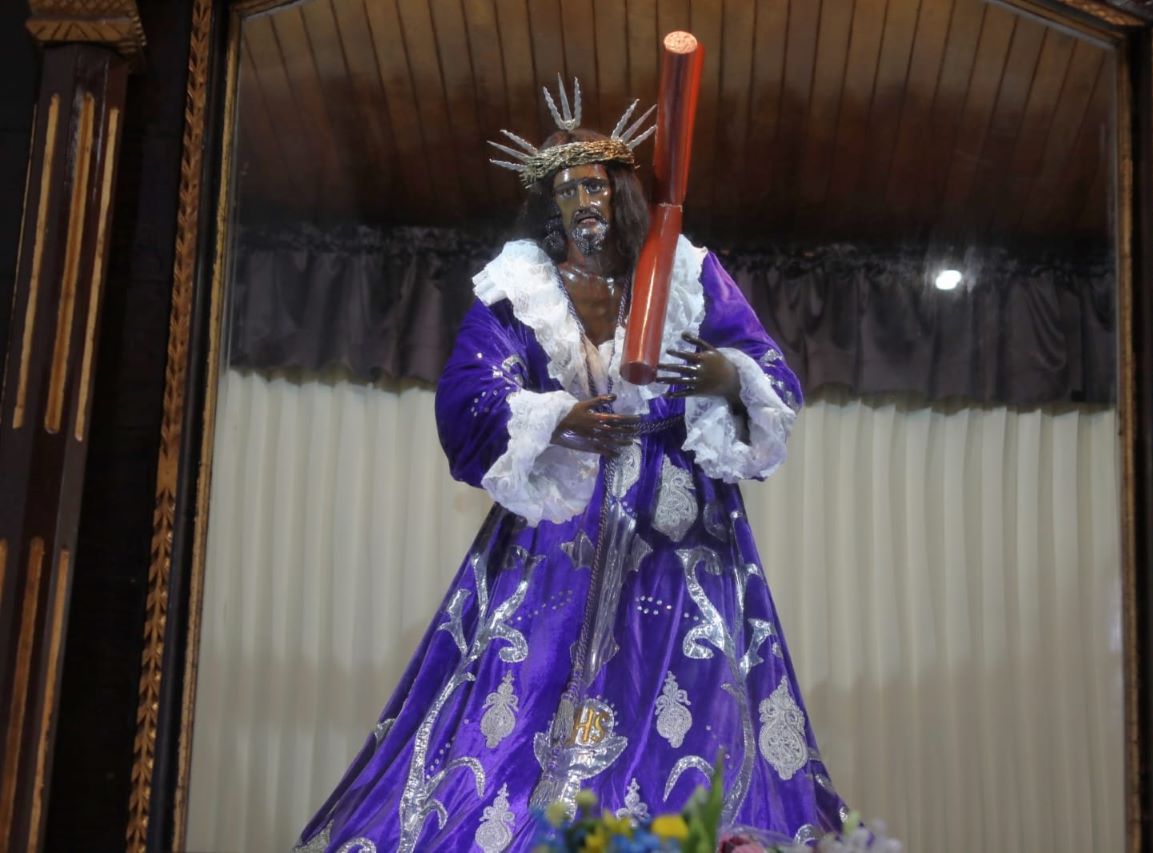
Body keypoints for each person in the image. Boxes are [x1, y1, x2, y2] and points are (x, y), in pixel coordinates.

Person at [294, 80, 846, 853]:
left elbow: (772, 374)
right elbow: (468, 394)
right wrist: (556, 415)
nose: (580, 200)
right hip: (560, 518)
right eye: (563, 190)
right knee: (517, 696)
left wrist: (726, 377)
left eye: (591, 183)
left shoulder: (684, 272)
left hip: (676, 521)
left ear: (619, 189)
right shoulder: (521, 285)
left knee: (691, 688)